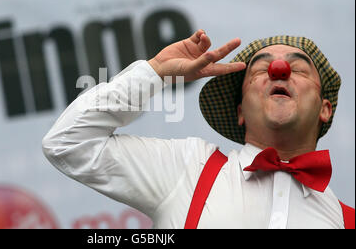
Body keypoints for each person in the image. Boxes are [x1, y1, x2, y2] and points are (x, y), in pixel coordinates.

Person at [42, 30, 354, 229]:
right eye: (261, 69)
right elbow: (67, 142)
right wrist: (156, 73)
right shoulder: (188, 169)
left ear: (325, 108)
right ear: (240, 111)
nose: (279, 71)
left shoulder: (345, 222)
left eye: (297, 68)